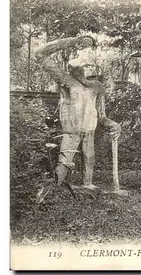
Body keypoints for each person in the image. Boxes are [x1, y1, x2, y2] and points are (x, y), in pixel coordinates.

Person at [34, 36, 121, 200]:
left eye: (93, 67)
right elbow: (40, 53)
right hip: (71, 131)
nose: (91, 71)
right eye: (86, 67)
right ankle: (51, 192)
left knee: (89, 158)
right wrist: (73, 41)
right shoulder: (68, 82)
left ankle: (87, 184)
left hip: (89, 131)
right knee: (64, 162)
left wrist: (113, 124)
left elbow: (102, 116)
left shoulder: (97, 88)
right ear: (74, 70)